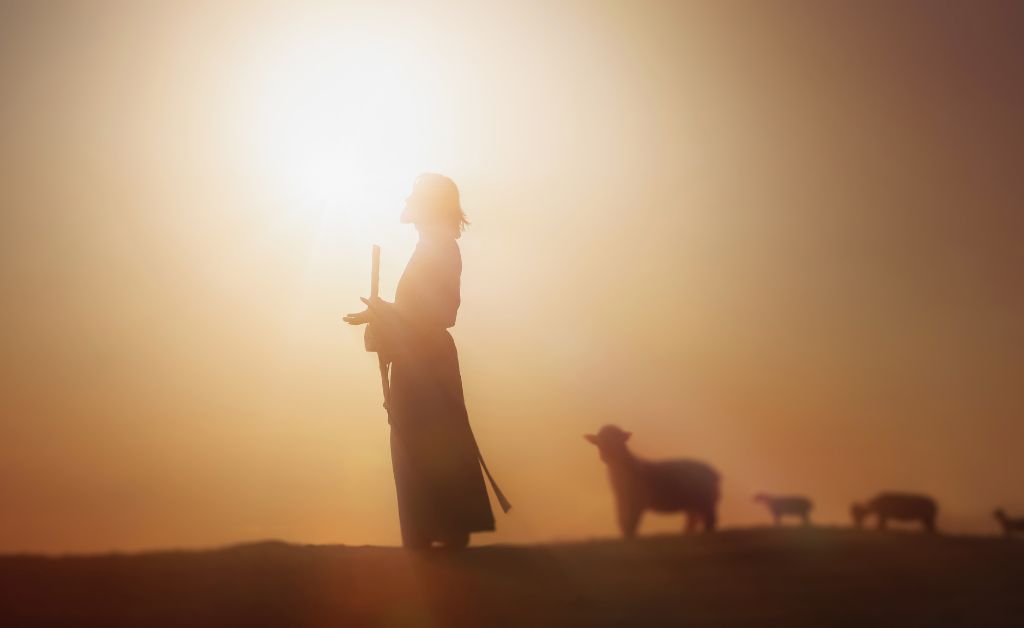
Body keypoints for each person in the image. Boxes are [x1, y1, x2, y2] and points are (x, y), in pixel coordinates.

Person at [344, 174, 505, 549]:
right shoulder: (432, 247)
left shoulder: (441, 249)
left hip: (427, 364)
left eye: (414, 195)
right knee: (416, 445)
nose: (407, 199)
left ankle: (439, 537)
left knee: (430, 445)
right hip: (419, 360)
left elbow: (441, 312)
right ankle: (428, 537)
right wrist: (383, 314)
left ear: (429, 204)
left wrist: (386, 312)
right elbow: (420, 311)